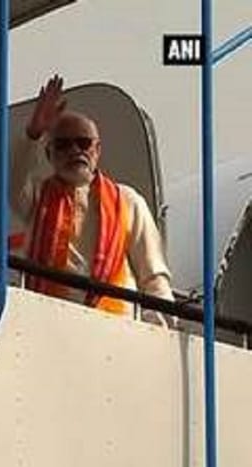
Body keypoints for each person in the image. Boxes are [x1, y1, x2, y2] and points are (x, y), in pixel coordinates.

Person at [10, 75, 174, 321]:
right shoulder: (37, 198)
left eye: (83, 143)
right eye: (63, 145)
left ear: (97, 151)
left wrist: (159, 324)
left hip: (114, 324)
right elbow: (14, 181)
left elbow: (152, 273)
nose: (75, 150)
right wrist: (33, 134)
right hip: (51, 321)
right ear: (49, 154)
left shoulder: (127, 200)